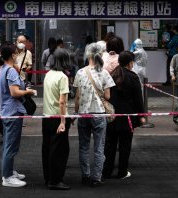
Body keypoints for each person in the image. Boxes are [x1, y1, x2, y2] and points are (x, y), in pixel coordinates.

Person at [73, 43, 115, 187]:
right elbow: (108, 96)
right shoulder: (104, 73)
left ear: (88, 55)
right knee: (99, 148)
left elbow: (77, 97)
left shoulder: (80, 73)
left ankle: (85, 176)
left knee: (83, 147)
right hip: (99, 114)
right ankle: (97, 178)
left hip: (83, 114)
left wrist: (75, 112)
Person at [0, 44, 36, 187]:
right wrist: (28, 92)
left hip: (7, 111)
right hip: (12, 112)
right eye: (16, 53)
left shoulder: (4, 69)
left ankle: (8, 171)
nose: (17, 55)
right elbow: (14, 93)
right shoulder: (11, 71)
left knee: (9, 144)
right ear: (12, 55)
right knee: (11, 145)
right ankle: (7, 177)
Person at [102, 51, 145, 180]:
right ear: (130, 62)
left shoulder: (111, 74)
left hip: (112, 115)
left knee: (109, 145)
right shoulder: (133, 77)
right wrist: (141, 115)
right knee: (125, 145)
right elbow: (138, 99)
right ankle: (122, 172)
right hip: (127, 117)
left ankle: (106, 172)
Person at [42, 48, 72, 190]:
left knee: (47, 148)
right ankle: (55, 180)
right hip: (57, 118)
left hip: (46, 116)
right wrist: (63, 121)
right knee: (59, 150)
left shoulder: (48, 74)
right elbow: (62, 102)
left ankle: (48, 177)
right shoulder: (63, 77)